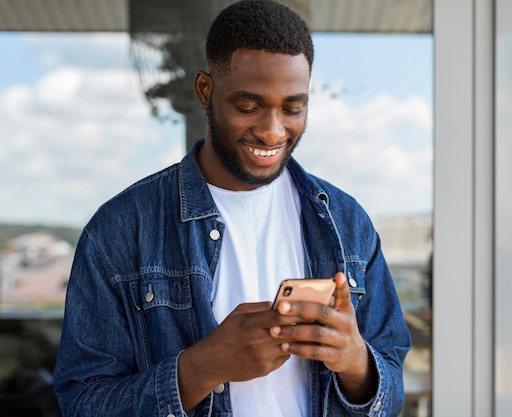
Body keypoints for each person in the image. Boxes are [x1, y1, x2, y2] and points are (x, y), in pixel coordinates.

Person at [53, 1, 411, 416]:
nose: (273, 130)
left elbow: (392, 388)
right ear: (205, 90)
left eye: (293, 108)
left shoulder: (347, 223)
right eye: (248, 107)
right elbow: (81, 402)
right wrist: (202, 368)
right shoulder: (120, 230)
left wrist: (356, 362)